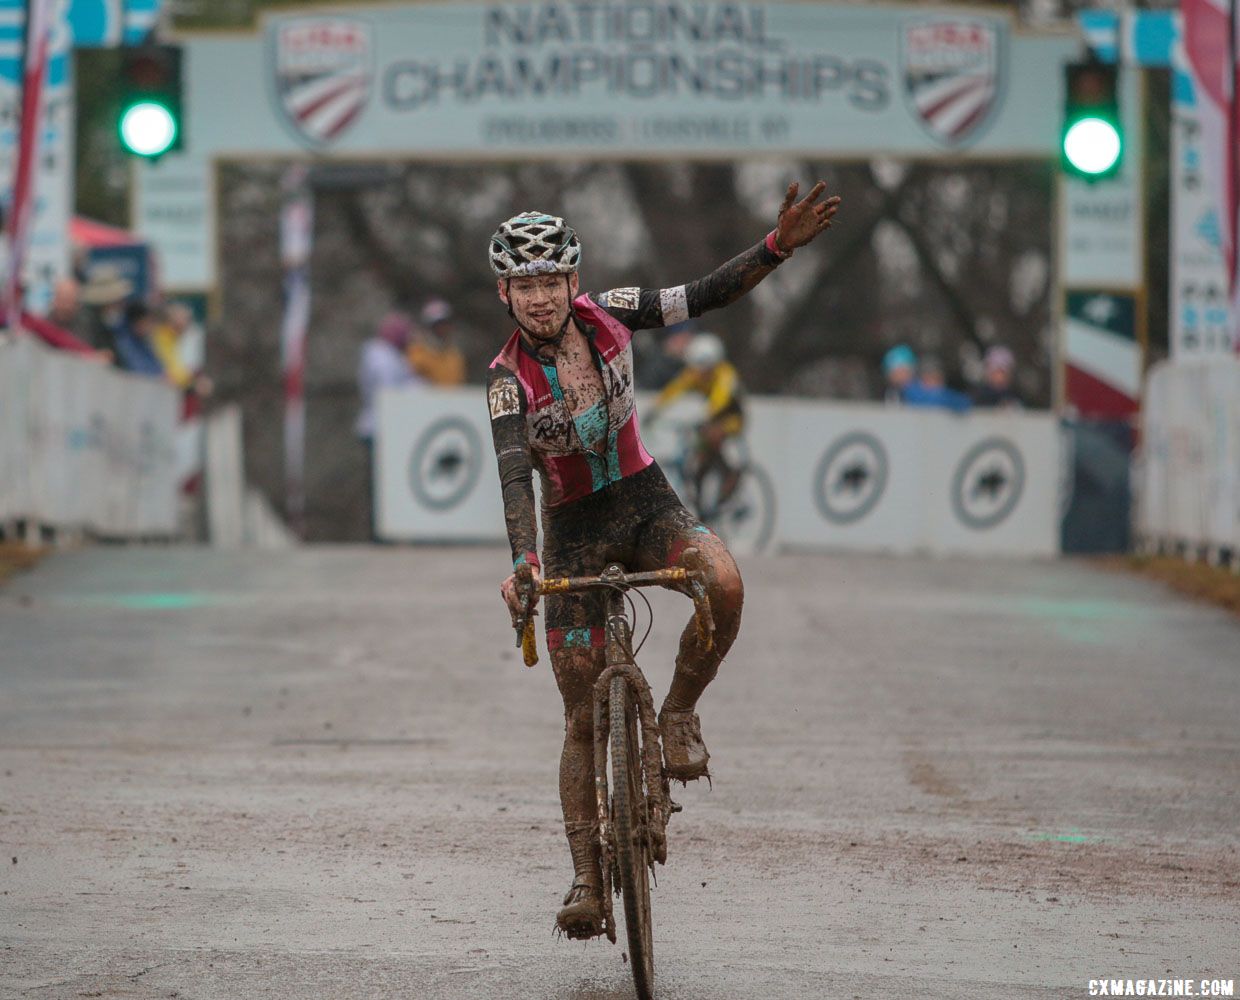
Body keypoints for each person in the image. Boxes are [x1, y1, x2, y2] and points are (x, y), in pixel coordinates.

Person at [485, 182, 841, 940]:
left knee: (724, 582)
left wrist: (777, 246)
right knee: (581, 716)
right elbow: (516, 475)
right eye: (526, 284)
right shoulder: (503, 381)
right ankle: (586, 878)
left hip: (646, 502)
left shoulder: (613, 309)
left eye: (552, 281)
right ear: (505, 293)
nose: (541, 298)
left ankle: (679, 711)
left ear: (573, 283)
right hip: (573, 529)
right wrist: (524, 563)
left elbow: (704, 295)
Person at [648, 332, 746, 515]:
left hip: (732, 417)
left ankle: (730, 473)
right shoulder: (694, 373)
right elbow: (674, 389)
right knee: (699, 461)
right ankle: (702, 506)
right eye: (699, 368)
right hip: (711, 418)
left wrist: (704, 416)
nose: (702, 374)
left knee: (712, 436)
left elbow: (720, 398)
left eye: (706, 369)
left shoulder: (725, 373)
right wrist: (654, 410)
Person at [356, 312, 420, 538]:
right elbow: (392, 391)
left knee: (381, 483)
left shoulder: (384, 355)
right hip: (379, 428)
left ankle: (381, 530)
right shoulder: (381, 357)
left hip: (380, 426)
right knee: (381, 484)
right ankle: (379, 532)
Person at [408, 297, 466, 386]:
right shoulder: (416, 352)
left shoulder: (454, 355)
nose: (442, 330)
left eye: (445, 324)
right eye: (437, 325)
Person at [111, 300, 165, 377]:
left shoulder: (144, 340)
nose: (150, 326)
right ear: (137, 322)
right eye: (147, 322)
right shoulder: (124, 343)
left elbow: (157, 366)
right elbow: (139, 372)